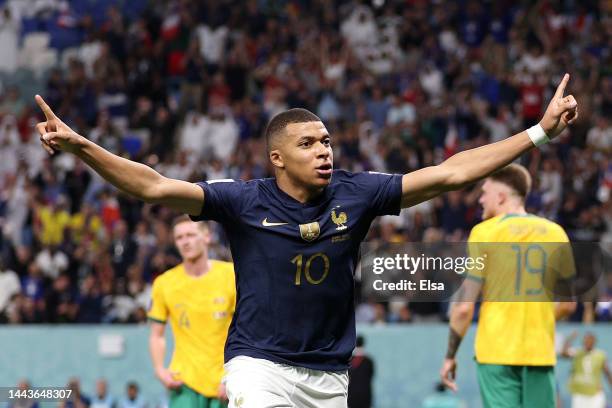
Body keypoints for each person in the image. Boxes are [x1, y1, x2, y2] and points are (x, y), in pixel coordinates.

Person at [34, 73, 577, 408]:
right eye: (309, 143)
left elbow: (451, 173)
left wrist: (539, 133)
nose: (325, 151)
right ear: (277, 157)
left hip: (329, 375)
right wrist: (84, 147)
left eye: (327, 141)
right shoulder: (242, 201)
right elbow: (152, 184)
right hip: (258, 365)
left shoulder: (358, 194)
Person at [439, 164, 578, 408]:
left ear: (501, 196)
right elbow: (568, 304)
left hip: (496, 353)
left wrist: (450, 356)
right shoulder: (556, 233)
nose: (480, 199)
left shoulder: (483, 233)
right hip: (539, 352)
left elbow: (463, 308)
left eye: (485, 192)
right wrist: (539, 319)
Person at [148, 216, 235, 408]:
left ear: (207, 236)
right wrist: (159, 370)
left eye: (191, 235)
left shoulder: (231, 275)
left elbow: (247, 329)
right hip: (184, 382)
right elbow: (157, 335)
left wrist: (236, 374)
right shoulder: (165, 283)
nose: (185, 241)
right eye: (179, 237)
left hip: (224, 381)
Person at [561, 331, 612, 408]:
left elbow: (607, 373)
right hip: (579, 392)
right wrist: (569, 340)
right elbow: (564, 354)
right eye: (586, 340)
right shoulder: (577, 352)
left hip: (594, 393)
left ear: (594, 341)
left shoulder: (600, 355)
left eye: (590, 340)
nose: (588, 342)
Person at [347, 336, 374, 408]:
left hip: (351, 394)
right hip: (365, 394)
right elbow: (371, 376)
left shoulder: (348, 361)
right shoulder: (369, 361)